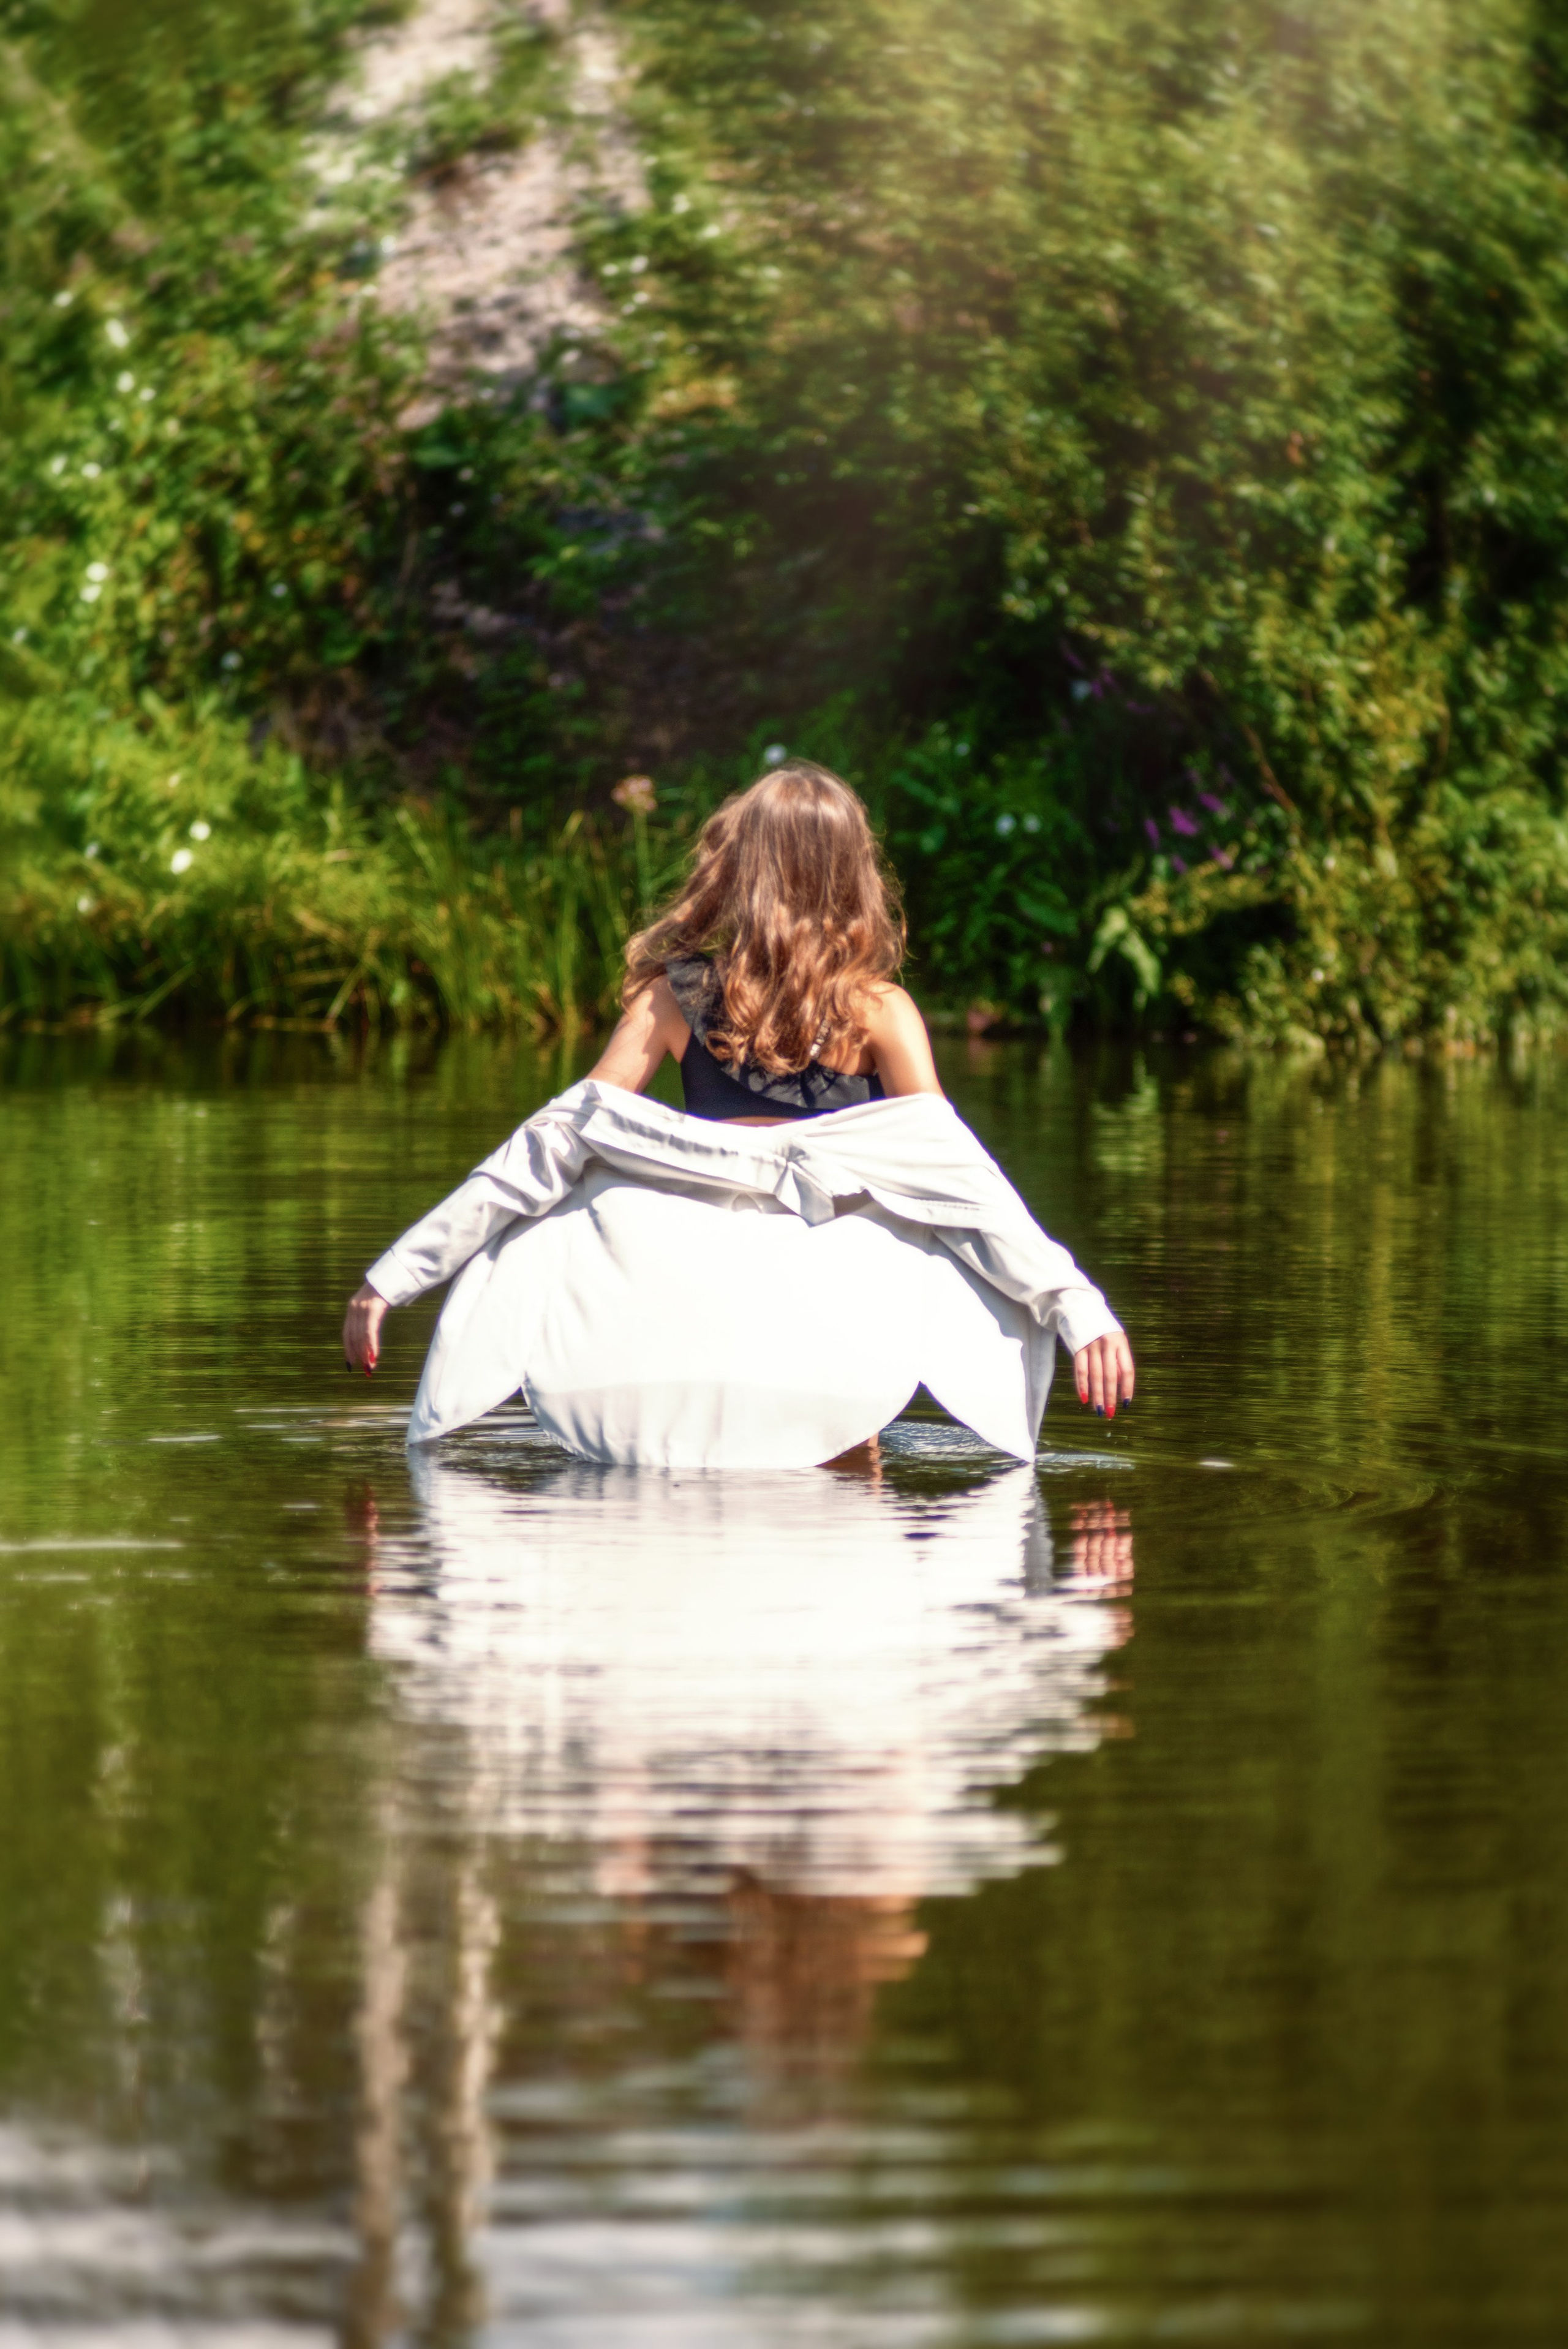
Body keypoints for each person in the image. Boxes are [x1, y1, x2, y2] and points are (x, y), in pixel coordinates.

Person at [342, 761, 1134, 1468]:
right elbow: (961, 1187)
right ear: (853, 876)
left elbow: (552, 1146)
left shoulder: (672, 998)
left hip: (679, 1302)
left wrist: (396, 1276)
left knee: (567, 1205)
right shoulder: (882, 1014)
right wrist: (1079, 1310)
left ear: (740, 868)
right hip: (829, 1320)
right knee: (867, 1386)